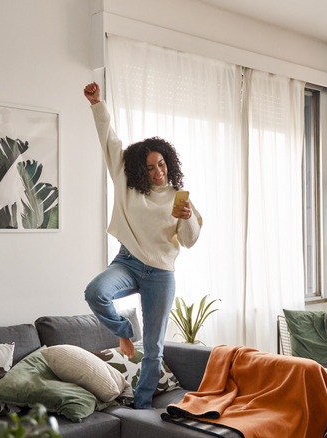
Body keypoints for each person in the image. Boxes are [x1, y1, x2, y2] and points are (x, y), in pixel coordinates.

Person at [82, 82, 202, 409]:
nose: (157, 171)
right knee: (95, 292)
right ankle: (124, 329)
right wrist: (97, 104)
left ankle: (142, 407)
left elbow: (189, 241)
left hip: (161, 273)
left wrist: (188, 216)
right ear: (140, 169)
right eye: (150, 167)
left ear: (169, 163)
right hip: (128, 262)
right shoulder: (126, 181)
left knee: (154, 349)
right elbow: (110, 140)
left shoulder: (179, 197)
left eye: (161, 164)